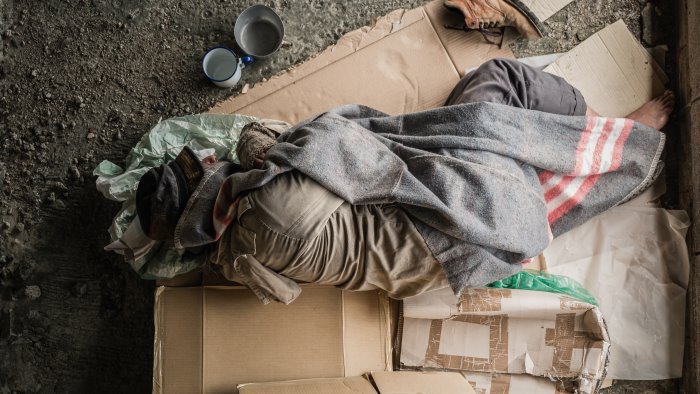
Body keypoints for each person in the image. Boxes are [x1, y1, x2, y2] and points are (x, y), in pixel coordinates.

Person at [135, 59, 673, 305]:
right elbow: (345, 145)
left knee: (496, 148)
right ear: (207, 188)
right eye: (203, 169)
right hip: (460, 225)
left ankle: (552, 162)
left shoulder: (233, 256)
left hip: (442, 276)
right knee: (496, 86)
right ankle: (614, 136)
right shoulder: (272, 202)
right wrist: (261, 146)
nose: (210, 161)